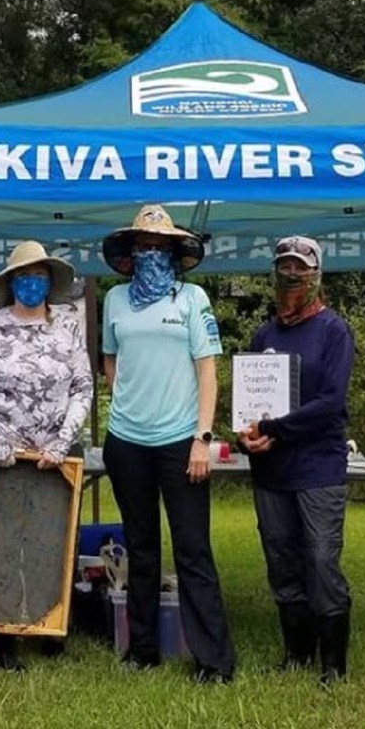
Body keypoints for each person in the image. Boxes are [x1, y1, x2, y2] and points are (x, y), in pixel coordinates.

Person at [100, 204, 235, 683]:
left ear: (174, 252)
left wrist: (203, 438)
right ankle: (141, 649)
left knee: (193, 549)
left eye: (160, 247)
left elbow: (207, 371)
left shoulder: (192, 299)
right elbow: (110, 363)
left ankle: (213, 661)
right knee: (140, 546)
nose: (151, 254)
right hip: (126, 440)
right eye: (144, 247)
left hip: (181, 442)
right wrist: (129, 402)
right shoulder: (115, 300)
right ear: (131, 253)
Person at [0, 240, 93, 670]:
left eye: (38, 276)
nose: (31, 283)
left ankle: (48, 622)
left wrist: (61, 441)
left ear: (49, 283)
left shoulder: (67, 330)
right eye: (23, 277)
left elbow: (83, 388)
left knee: (49, 538)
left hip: (53, 458)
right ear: (11, 283)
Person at [238, 236, 355, 686]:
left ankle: (333, 665)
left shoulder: (333, 330)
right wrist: (248, 434)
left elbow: (331, 402)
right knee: (281, 559)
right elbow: (249, 407)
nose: (291, 276)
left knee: (322, 559)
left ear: (316, 275)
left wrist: (274, 429)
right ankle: (297, 654)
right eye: (283, 268)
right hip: (271, 470)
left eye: (300, 268)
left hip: (318, 468)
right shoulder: (264, 334)